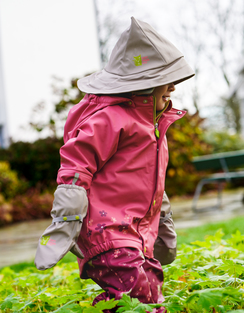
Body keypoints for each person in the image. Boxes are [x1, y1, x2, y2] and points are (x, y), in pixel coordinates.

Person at [35, 16, 195, 310]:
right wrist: (66, 220)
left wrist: (163, 220)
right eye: (165, 81)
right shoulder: (110, 119)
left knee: (146, 286)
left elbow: (150, 183)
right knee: (142, 294)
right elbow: (76, 166)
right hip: (105, 230)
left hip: (131, 231)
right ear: (142, 85)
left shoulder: (154, 127)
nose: (172, 88)